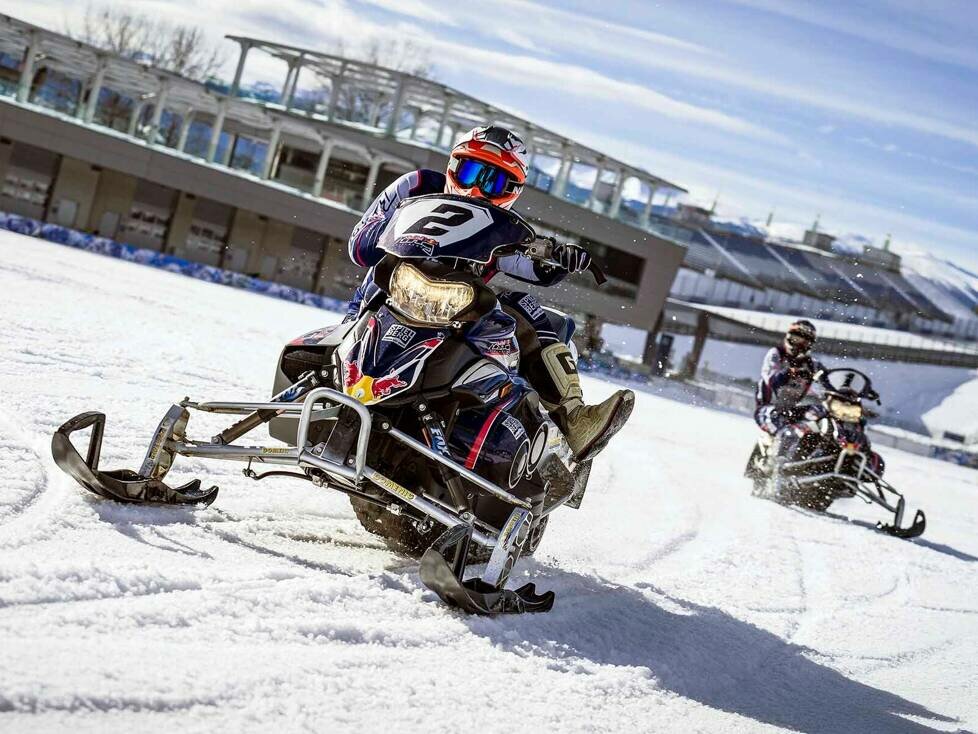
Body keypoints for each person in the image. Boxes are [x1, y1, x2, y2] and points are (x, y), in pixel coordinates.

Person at [343, 124, 633, 462]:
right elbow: (360, 246)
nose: (476, 188)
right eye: (469, 171)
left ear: (511, 191)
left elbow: (532, 269)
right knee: (320, 347)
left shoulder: (501, 229)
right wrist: (403, 226)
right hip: (382, 303)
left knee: (523, 307)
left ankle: (573, 417)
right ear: (452, 166)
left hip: (452, 323)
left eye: (493, 182)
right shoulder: (418, 185)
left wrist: (557, 258)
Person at [754, 319, 826, 436]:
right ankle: (781, 452)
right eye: (794, 338)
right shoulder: (776, 354)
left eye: (803, 341)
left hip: (792, 410)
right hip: (768, 409)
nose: (797, 343)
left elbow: (829, 381)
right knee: (787, 432)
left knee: (823, 416)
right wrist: (790, 372)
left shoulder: (813, 364)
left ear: (809, 344)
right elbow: (772, 381)